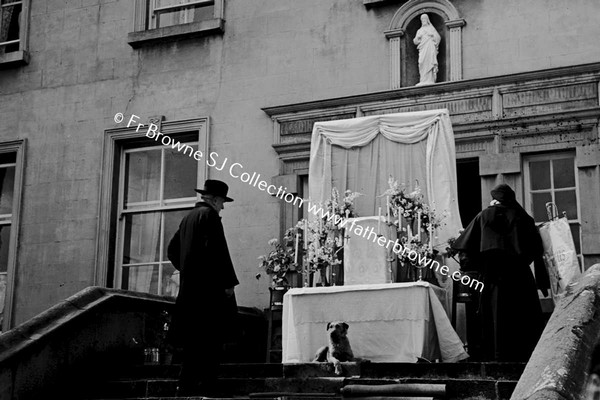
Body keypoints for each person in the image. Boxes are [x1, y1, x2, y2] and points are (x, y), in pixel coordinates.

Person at [451, 183, 549, 362]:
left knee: (495, 316)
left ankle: (495, 356)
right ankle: (525, 356)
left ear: (495, 198)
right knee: (522, 318)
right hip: (520, 277)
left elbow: (466, 249)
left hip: (494, 276)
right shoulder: (524, 217)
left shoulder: (484, 216)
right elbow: (537, 250)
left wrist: (475, 267)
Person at [167, 179, 239, 396]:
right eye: (222, 202)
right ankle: (208, 386)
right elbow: (219, 252)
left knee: (192, 344)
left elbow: (172, 250)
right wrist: (228, 284)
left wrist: (188, 270)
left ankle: (185, 385)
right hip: (209, 293)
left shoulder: (187, 218)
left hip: (189, 292)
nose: (223, 206)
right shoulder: (210, 217)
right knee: (211, 342)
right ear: (215, 200)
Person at [413, 14, 441, 86]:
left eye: (425, 19)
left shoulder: (431, 29)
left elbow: (438, 38)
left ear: (427, 20)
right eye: (422, 20)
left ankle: (430, 79)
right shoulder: (419, 30)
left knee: (430, 61)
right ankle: (423, 79)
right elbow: (415, 41)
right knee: (421, 62)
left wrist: (432, 35)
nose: (423, 21)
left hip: (430, 48)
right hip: (422, 49)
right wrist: (418, 38)